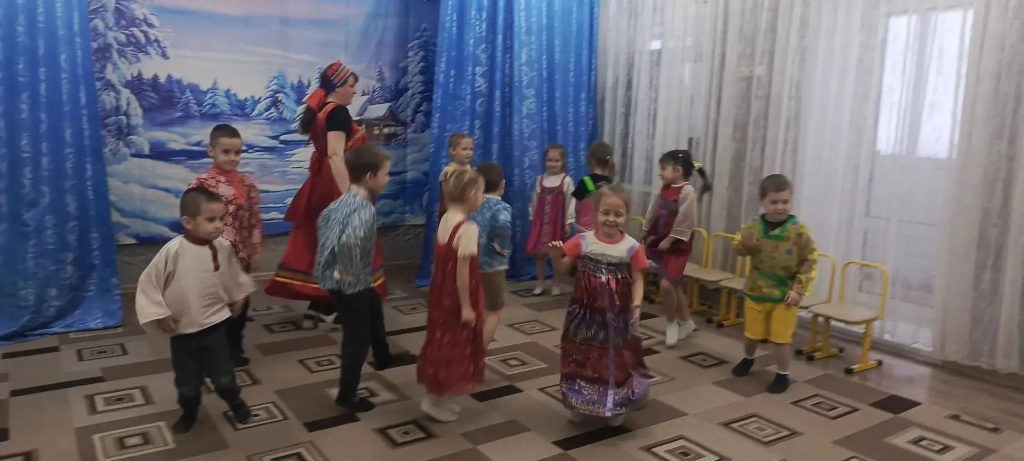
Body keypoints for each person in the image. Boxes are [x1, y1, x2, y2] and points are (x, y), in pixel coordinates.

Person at [264, 60, 387, 329]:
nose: (355, 91)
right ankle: (341, 307)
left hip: (320, 183)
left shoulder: (321, 111)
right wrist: (349, 197)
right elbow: (334, 155)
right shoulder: (338, 113)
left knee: (322, 243)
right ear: (337, 87)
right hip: (336, 184)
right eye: (351, 86)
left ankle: (320, 306)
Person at [135, 188, 254, 434]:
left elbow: (232, 274)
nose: (218, 225)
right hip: (183, 330)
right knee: (187, 383)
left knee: (224, 377)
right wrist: (160, 313)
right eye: (211, 220)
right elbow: (149, 283)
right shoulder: (173, 251)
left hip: (216, 326)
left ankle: (235, 402)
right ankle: (189, 412)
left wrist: (238, 295)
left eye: (221, 219)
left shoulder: (222, 247)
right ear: (188, 222)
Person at [548, 185, 650, 427]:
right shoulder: (582, 241)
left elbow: (638, 279)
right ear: (595, 214)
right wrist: (554, 255)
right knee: (580, 358)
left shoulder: (632, 247)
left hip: (617, 318)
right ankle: (579, 402)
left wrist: (636, 305)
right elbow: (561, 269)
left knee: (615, 360)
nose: (611, 219)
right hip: (583, 316)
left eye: (618, 214)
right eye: (605, 213)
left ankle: (616, 405)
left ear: (627, 216)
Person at [314, 144, 395, 413]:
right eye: (386, 174)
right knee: (356, 337)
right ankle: (346, 395)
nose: (388, 179)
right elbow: (350, 243)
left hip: (340, 277)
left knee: (374, 309)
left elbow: (323, 222)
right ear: (370, 177)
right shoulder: (364, 209)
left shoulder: (341, 202)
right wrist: (353, 279)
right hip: (350, 283)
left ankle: (383, 356)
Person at [730, 174, 817, 394]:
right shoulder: (753, 225)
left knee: (781, 338)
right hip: (756, 290)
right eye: (774, 202)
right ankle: (748, 358)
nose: (780, 207)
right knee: (751, 333)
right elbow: (740, 249)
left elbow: (809, 261)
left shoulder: (799, 231)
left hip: (784, 295)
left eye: (785, 202)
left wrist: (799, 290)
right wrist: (745, 245)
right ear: (762, 201)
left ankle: (782, 374)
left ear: (791, 200)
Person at [188, 124, 263, 367]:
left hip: (240, 256)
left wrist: (254, 249)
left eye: (237, 152)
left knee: (240, 300)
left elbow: (254, 218)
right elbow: (192, 221)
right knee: (214, 302)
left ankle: (234, 346)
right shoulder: (202, 185)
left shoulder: (248, 184)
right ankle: (211, 350)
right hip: (212, 256)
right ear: (211, 151)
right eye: (226, 152)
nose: (232, 158)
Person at [417, 168, 486, 423]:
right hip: (457, 297)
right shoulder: (468, 228)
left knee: (441, 341)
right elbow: (462, 271)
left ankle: (439, 397)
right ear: (471, 194)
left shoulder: (446, 218)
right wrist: (467, 306)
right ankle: (433, 400)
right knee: (454, 346)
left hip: (441, 293)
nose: (482, 198)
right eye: (481, 193)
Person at [642, 150, 710, 346]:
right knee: (675, 285)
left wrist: (670, 240)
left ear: (677, 170)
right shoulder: (664, 188)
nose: (660, 173)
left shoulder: (687, 192)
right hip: (661, 241)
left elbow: (686, 220)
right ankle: (687, 322)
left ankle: (671, 323)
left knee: (666, 285)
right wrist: (646, 230)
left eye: (663, 169)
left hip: (678, 246)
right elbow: (653, 209)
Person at [470, 162, 513, 347]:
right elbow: (502, 225)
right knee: (494, 310)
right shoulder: (502, 208)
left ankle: (468, 346)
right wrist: (501, 247)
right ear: (502, 184)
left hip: (471, 262)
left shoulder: (473, 205)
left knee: (476, 306)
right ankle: (477, 353)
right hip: (492, 265)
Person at [525, 144, 576, 296]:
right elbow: (534, 201)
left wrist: (568, 222)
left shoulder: (566, 181)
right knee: (539, 256)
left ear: (563, 162)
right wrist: (533, 219)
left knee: (555, 255)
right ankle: (540, 282)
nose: (552, 164)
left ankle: (556, 283)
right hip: (541, 224)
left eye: (556, 161)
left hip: (556, 224)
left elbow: (571, 202)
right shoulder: (540, 180)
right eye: (549, 160)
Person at [572, 141, 616, 233]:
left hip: (585, 230)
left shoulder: (585, 182)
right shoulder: (613, 183)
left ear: (591, 160)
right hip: (607, 231)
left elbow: (576, 209)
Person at [438, 133, 474, 218]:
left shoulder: (470, 169)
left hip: (468, 211)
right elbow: (447, 197)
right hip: (452, 212)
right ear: (452, 150)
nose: (469, 153)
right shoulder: (449, 171)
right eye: (464, 149)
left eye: (471, 149)